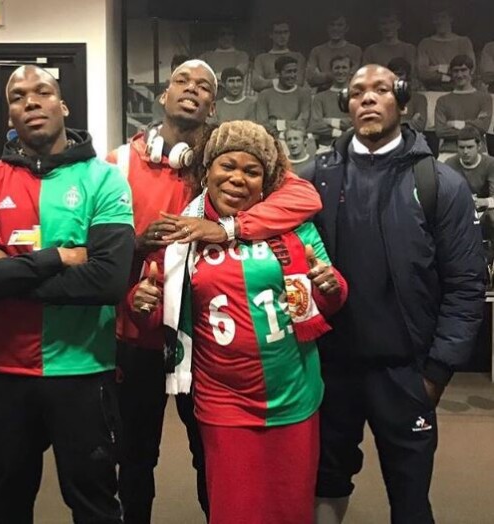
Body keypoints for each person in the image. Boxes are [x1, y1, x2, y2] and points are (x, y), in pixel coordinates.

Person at [107, 59, 324, 524]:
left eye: (204, 85)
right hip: (139, 333)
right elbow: (99, 244)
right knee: (134, 457)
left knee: (211, 458)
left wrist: (223, 228)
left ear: (213, 103)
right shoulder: (120, 162)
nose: (192, 90)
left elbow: (303, 197)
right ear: (164, 94)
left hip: (201, 343)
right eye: (182, 81)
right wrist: (141, 246)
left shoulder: (228, 158)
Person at [0, 65, 135, 524]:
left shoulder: (104, 179)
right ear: (10, 115)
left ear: (62, 105)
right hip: (4, 375)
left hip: (83, 373)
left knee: (94, 506)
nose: (30, 102)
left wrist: (4, 272)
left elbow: (108, 282)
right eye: (17, 96)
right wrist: (56, 259)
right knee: (7, 502)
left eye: (42, 92)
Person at [302, 64, 485, 524]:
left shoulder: (440, 184)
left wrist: (438, 370)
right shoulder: (314, 180)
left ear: (402, 102)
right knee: (325, 481)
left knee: (409, 495)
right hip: (331, 369)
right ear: (346, 105)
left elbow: (466, 285)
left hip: (406, 371)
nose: (367, 98)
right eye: (358, 91)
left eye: (381, 90)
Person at [434, 54, 492, 155]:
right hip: (449, 151)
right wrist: (473, 126)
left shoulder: (485, 98)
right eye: (456, 71)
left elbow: (482, 128)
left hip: (477, 152)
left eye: (463, 70)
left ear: (471, 71)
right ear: (451, 73)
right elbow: (440, 131)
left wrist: (458, 124)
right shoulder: (443, 100)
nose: (460, 75)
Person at [445, 126, 494, 245]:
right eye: (461, 147)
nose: (465, 151)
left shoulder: (490, 164)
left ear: (479, 146)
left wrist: (484, 202)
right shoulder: (449, 164)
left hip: (485, 212)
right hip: (459, 211)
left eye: (470, 147)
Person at [417, 3, 475, 91]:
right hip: (433, 91)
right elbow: (423, 73)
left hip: (460, 91)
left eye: (443, 17)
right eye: (436, 18)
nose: (440, 21)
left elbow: (471, 69)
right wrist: (442, 71)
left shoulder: (464, 42)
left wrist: (434, 68)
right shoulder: (425, 43)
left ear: (451, 19)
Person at [306, 13, 362, 92]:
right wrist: (340, 75)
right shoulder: (317, 51)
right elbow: (311, 78)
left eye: (340, 25)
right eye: (332, 25)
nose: (335, 28)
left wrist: (323, 76)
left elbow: (355, 77)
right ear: (327, 27)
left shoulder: (355, 50)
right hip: (323, 94)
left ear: (346, 28)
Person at [256, 55, 312, 133]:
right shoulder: (264, 95)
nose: (292, 75)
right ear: (278, 73)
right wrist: (290, 124)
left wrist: (276, 123)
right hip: (272, 138)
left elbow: (303, 123)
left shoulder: (304, 94)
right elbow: (262, 123)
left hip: (295, 139)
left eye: (295, 71)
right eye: (288, 72)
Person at [308, 55, 352, 150]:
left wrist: (329, 121)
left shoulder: (357, 94)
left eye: (344, 67)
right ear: (331, 71)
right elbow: (315, 126)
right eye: (337, 68)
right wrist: (340, 133)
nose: (340, 71)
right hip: (327, 147)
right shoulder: (320, 97)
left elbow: (356, 122)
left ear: (350, 70)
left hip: (352, 145)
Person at [252, 20, 306, 92]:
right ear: (271, 35)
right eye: (278, 33)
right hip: (269, 99)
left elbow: (299, 82)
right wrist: (285, 80)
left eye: (285, 32)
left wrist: (268, 82)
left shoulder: (298, 57)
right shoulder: (261, 58)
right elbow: (257, 84)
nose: (282, 36)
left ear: (289, 34)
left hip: (291, 98)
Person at [388, 57, 428, 133]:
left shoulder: (419, 98)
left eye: (400, 74)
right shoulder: (382, 98)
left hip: (411, 140)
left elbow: (420, 126)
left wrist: (391, 123)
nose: (396, 78)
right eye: (393, 74)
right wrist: (409, 122)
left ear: (407, 76)